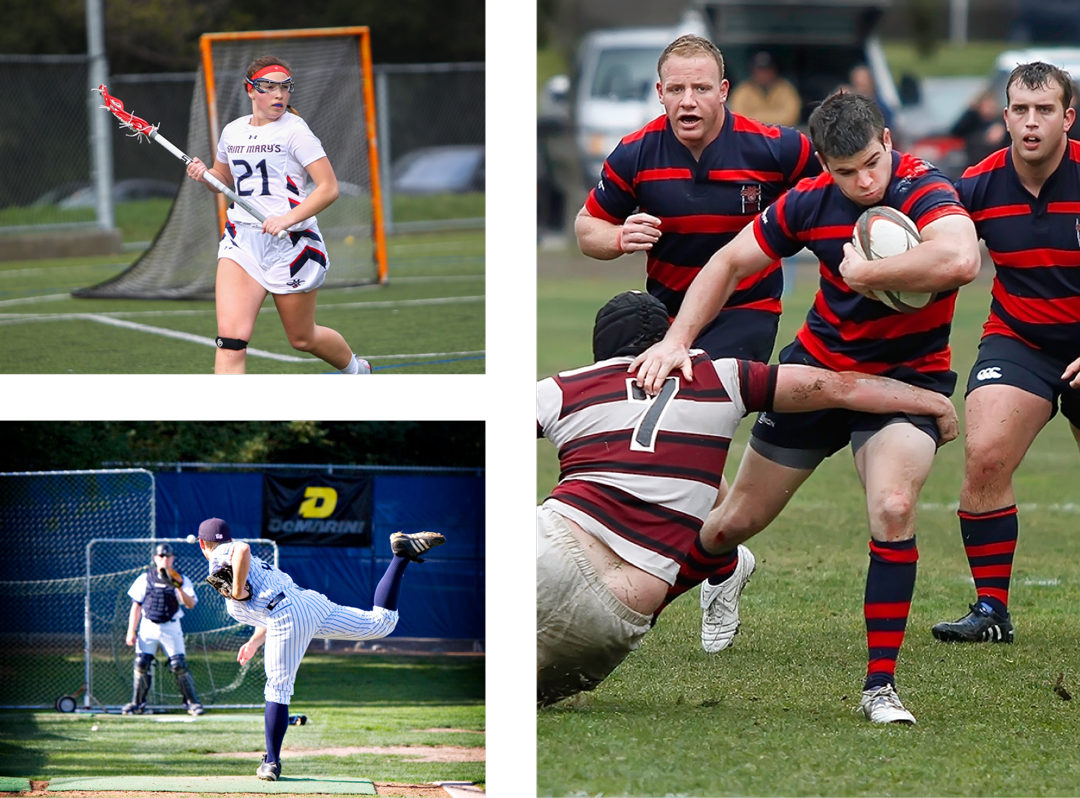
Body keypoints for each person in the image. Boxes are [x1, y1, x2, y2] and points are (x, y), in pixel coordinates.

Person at [629, 91, 981, 723]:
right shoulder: (809, 201)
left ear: (889, 143)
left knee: (894, 505)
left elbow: (959, 258)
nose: (864, 181)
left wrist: (868, 273)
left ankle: (879, 686)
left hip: (908, 384)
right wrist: (676, 340)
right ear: (823, 164)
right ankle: (625, 618)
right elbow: (729, 261)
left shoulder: (923, 187)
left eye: (872, 163)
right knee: (730, 524)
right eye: (845, 171)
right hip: (814, 372)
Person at [536, 290, 958, 708]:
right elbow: (839, 387)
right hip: (621, 613)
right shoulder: (724, 377)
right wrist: (930, 400)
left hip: (554, 550)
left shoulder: (566, 387)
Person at [574, 35, 821, 645]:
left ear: (724, 92)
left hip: (746, 309)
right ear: (660, 94)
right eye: (676, 89)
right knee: (647, 446)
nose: (689, 100)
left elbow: (830, 193)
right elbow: (586, 228)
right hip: (661, 319)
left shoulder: (778, 148)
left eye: (701, 88)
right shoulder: (634, 154)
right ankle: (725, 561)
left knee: (698, 428)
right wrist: (617, 237)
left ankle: (705, 566)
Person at [931, 62, 1080, 644]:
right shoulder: (978, 185)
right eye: (1021, 109)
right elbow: (936, 245)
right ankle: (991, 610)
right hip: (1020, 339)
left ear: (1068, 116)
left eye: (1045, 110)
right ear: (1006, 116)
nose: (1031, 122)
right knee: (986, 454)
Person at [195, 517, 444, 779]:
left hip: (286, 612)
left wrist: (235, 591)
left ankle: (271, 762)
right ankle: (402, 556)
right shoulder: (252, 564)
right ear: (229, 536)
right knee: (381, 624)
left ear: (202, 543)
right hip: (308, 603)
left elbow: (242, 550)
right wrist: (255, 641)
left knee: (277, 688)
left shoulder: (219, 553)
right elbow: (263, 603)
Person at [185, 56, 371, 375]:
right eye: (268, 87)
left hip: (292, 244)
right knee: (230, 341)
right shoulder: (232, 131)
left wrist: (286, 220)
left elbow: (329, 188)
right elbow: (224, 179)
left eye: (284, 88)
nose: (278, 95)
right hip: (241, 241)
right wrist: (205, 175)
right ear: (250, 90)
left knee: (302, 338)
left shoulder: (296, 132)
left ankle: (356, 370)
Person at [121, 542, 204, 716]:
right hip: (148, 625)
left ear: (173, 558)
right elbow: (136, 607)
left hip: (171, 626)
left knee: (179, 665)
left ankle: (192, 704)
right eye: (161, 556)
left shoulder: (181, 579)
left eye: (168, 556)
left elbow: (190, 605)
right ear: (155, 558)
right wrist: (131, 631)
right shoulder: (145, 578)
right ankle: (137, 704)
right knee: (141, 663)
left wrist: (178, 587)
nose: (164, 559)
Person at [727, 51, 802, 127]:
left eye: (767, 70)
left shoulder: (785, 88)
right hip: (750, 134)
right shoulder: (742, 91)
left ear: (774, 70)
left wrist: (756, 117)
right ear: (753, 71)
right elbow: (738, 117)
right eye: (760, 70)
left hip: (780, 134)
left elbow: (791, 116)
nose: (763, 74)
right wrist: (773, 116)